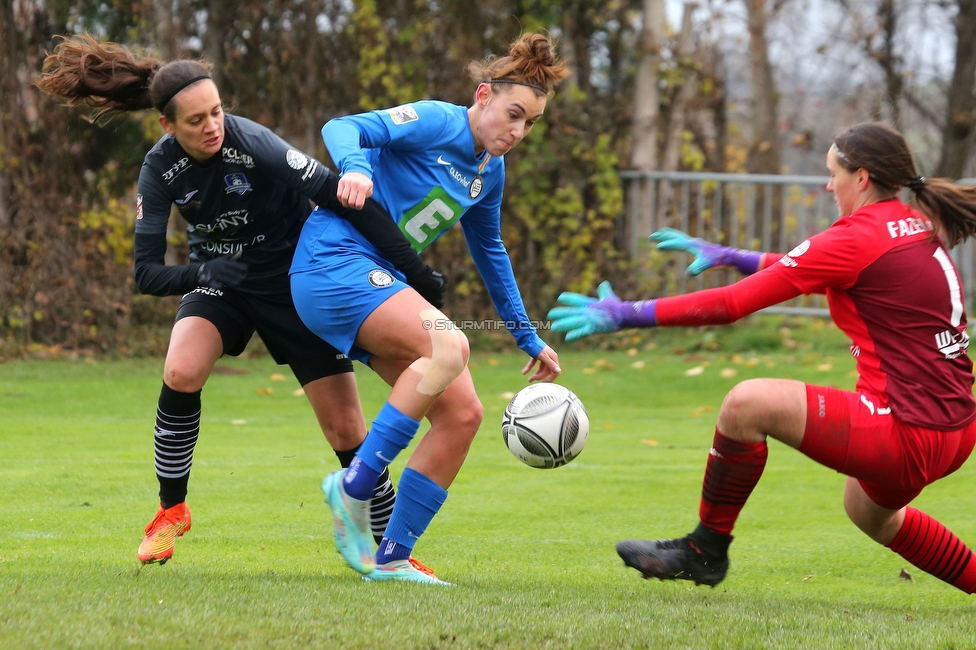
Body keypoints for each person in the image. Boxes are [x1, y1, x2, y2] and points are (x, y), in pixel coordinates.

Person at [36, 35, 447, 565]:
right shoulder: (160, 170)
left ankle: (393, 552)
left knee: (346, 430)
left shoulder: (249, 140)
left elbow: (338, 197)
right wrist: (204, 269)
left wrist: (411, 270)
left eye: (217, 112)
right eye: (196, 120)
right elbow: (145, 273)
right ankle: (170, 512)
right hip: (222, 280)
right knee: (181, 371)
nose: (212, 126)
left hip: (296, 280)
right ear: (167, 125)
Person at [549, 122, 976, 594]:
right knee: (868, 513)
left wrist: (625, 314)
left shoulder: (858, 237)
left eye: (834, 173)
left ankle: (704, 551)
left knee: (747, 404)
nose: (828, 184)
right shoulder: (910, 225)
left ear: (863, 177)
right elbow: (814, 265)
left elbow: (731, 305)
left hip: (904, 431)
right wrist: (732, 255)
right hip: (956, 430)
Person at [289, 33, 567, 584]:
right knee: (449, 343)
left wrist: (527, 336)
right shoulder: (438, 121)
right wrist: (355, 167)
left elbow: (490, 252)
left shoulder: (490, 171)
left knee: (462, 413)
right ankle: (353, 487)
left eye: (530, 123)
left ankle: (391, 557)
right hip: (330, 265)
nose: (517, 131)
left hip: (376, 285)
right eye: (513, 114)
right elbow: (343, 128)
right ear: (483, 95)